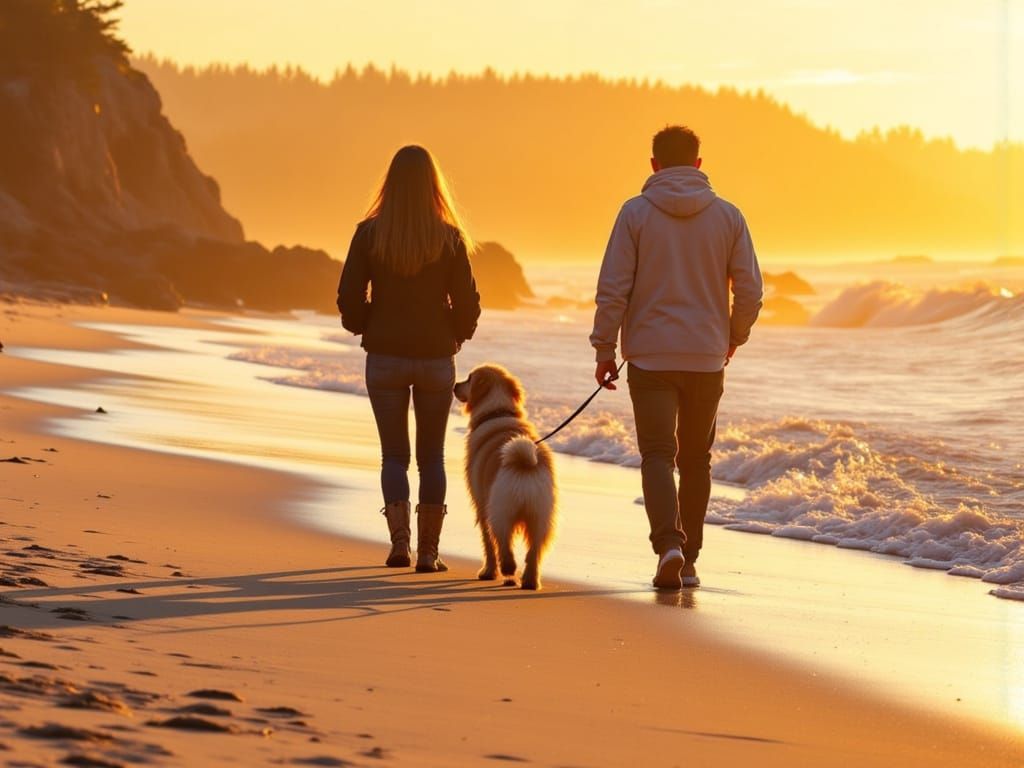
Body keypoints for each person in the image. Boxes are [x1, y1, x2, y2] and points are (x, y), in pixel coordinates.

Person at [589, 125, 763, 590]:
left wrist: (605, 348)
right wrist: (734, 335)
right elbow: (750, 290)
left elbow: (613, 289)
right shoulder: (728, 216)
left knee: (657, 455)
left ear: (654, 165)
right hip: (706, 356)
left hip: (649, 357)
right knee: (695, 460)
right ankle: (688, 561)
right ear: (700, 164)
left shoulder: (635, 213)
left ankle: (668, 543)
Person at [338, 145, 481, 573]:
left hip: (384, 357)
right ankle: (430, 553)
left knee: (394, 456)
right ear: (433, 186)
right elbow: (469, 304)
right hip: (436, 357)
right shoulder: (449, 238)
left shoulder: (369, 234)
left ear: (391, 184)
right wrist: (454, 336)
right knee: (432, 457)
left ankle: (400, 542)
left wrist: (367, 325)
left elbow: (348, 297)